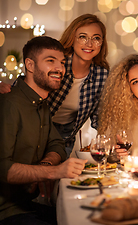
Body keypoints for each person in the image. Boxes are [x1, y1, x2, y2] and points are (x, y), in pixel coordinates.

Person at [0, 36, 86, 225]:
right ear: (30, 65)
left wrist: (45, 165)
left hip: (28, 204)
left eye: (62, 63)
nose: (60, 69)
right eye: (50, 61)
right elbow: (2, 169)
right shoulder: (9, 104)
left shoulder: (42, 103)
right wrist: (54, 172)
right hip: (6, 211)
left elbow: (57, 144)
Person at [0, 14, 110, 157]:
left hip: (66, 134)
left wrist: (109, 140)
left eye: (96, 38)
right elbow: (28, 85)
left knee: (57, 175)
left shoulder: (102, 76)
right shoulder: (58, 64)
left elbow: (99, 119)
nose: (89, 44)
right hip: (36, 127)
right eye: (83, 37)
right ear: (72, 39)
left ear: (102, 43)